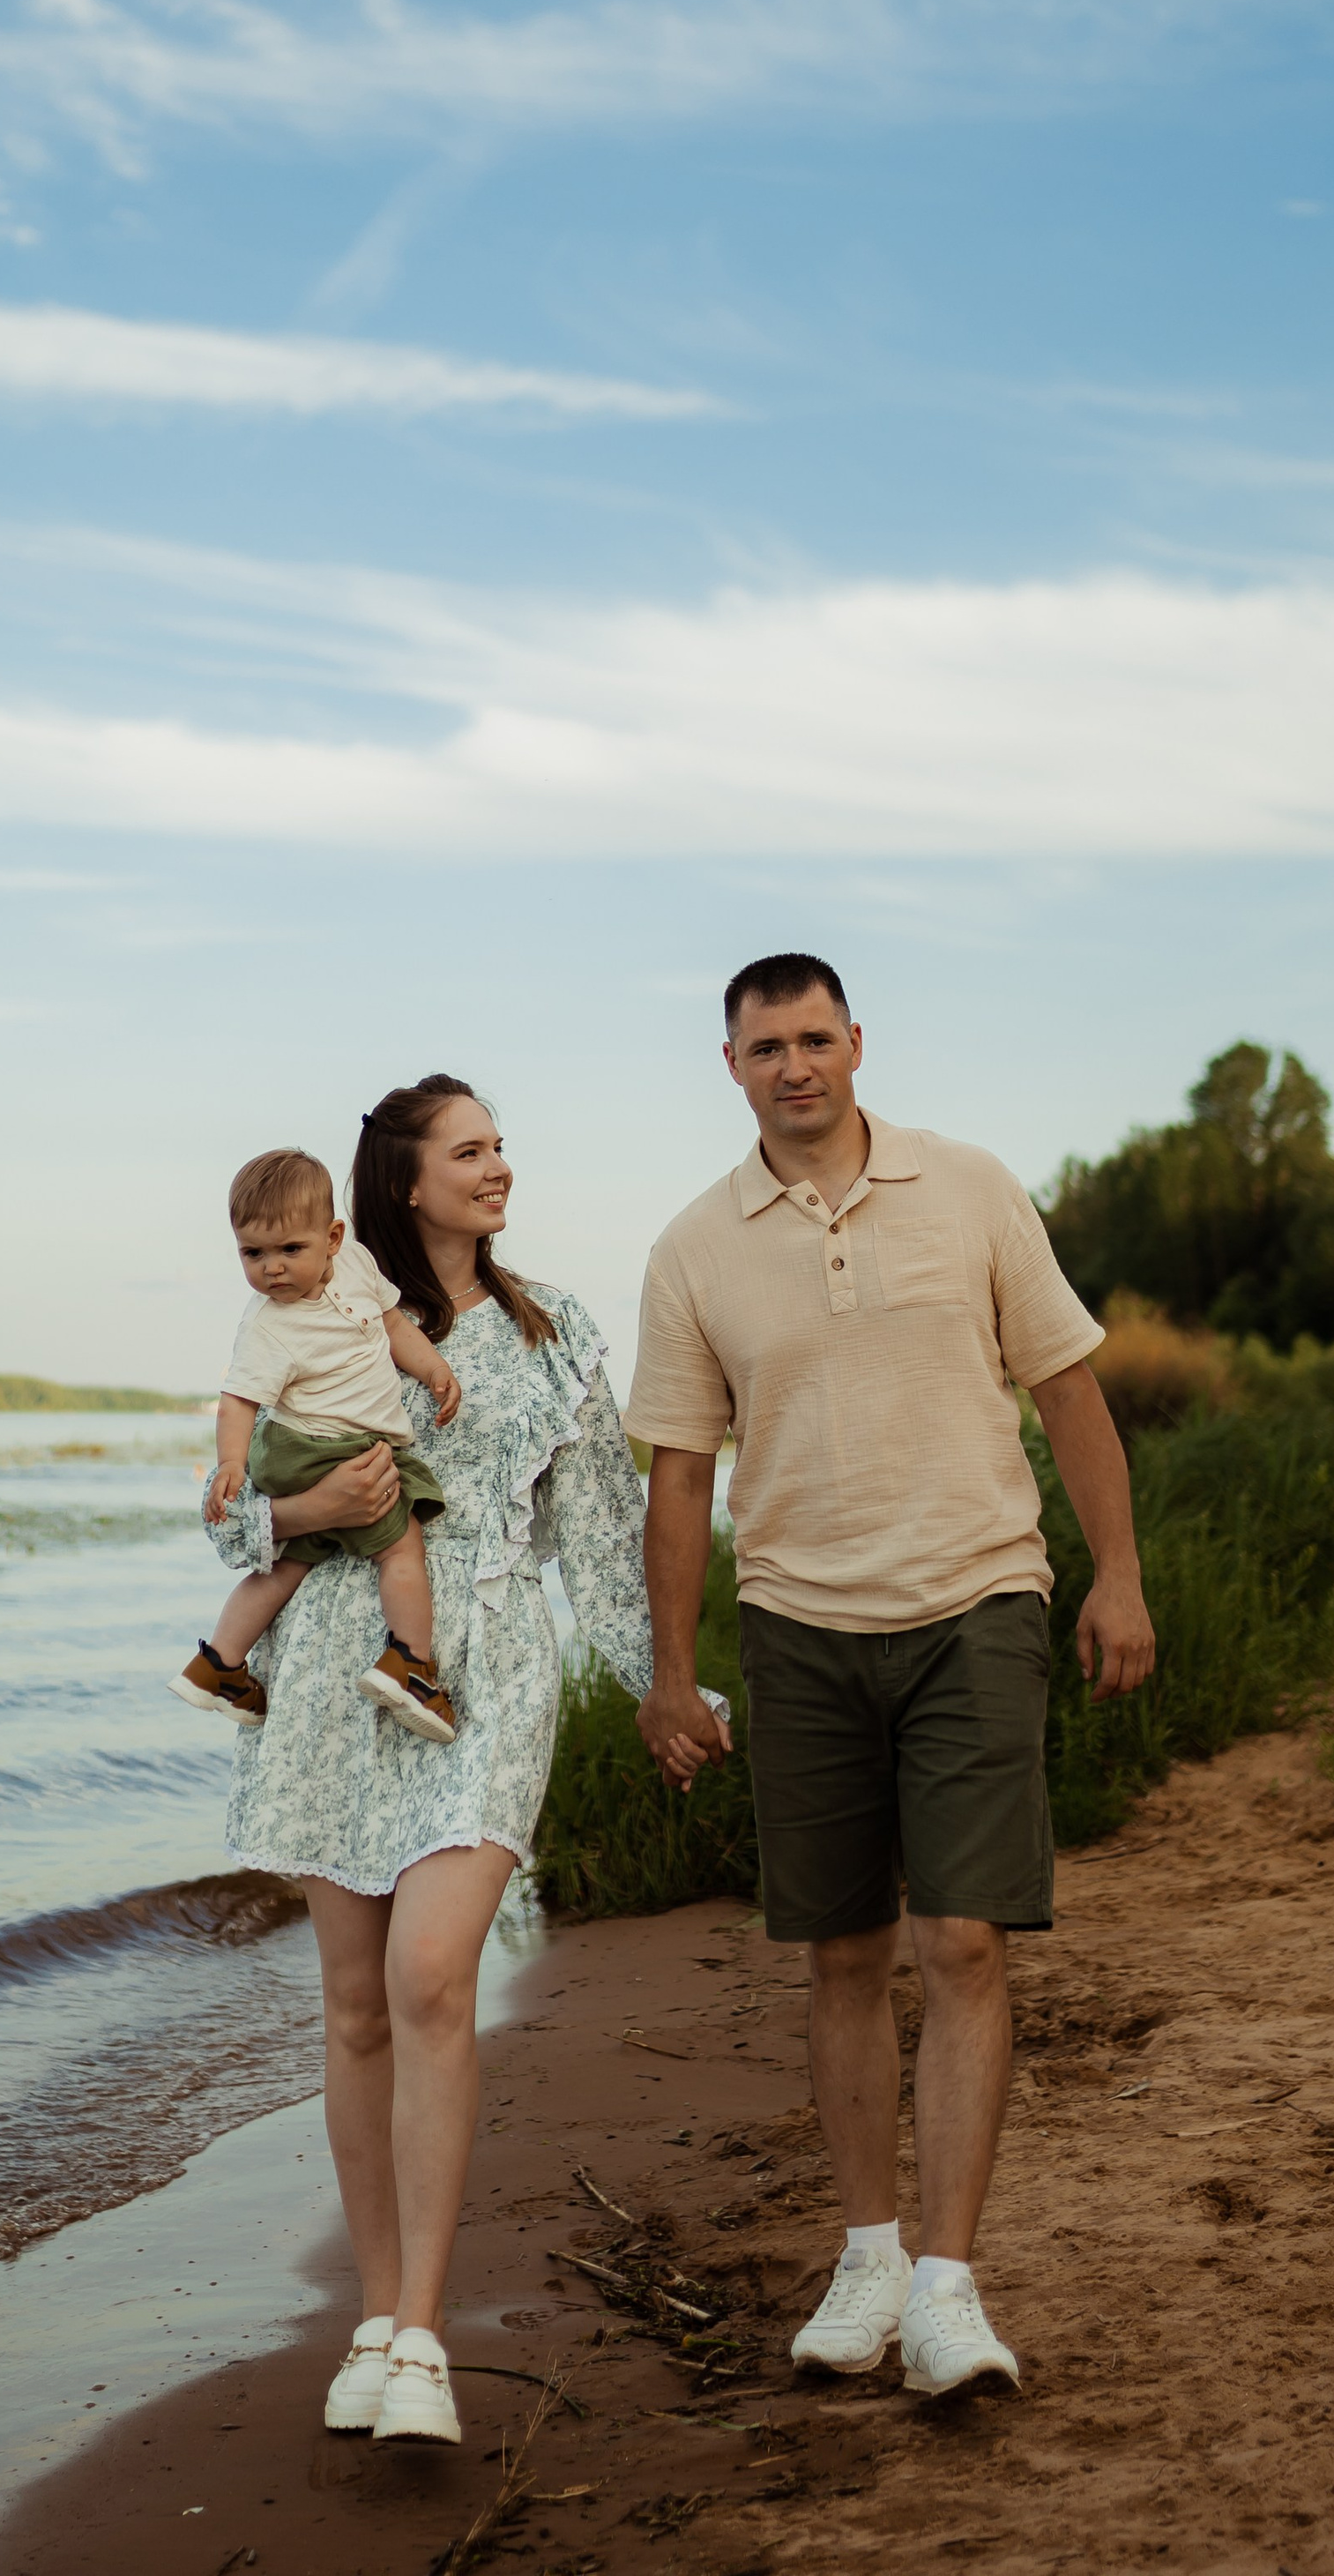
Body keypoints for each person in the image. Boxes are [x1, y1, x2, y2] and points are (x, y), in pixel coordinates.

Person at [630, 952, 1156, 2402]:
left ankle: (948, 2288)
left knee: (966, 1943)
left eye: (814, 1039)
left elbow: (1069, 1395)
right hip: (797, 1625)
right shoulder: (692, 1248)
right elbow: (681, 1480)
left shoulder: (971, 1188)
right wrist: (674, 1676)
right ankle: (868, 2254)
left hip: (976, 1600)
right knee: (844, 1951)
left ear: (857, 1043)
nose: (793, 1066)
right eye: (764, 1047)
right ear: (728, 1065)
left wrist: (1116, 1574)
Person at [205, 1074, 672, 2448]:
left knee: (427, 1974)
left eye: (502, 1147)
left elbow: (600, 1530)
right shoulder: (307, 1311)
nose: (500, 1168)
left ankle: (423, 2333)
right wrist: (307, 1501)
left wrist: (661, 1685)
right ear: (406, 1182)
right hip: (333, 1664)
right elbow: (235, 1531)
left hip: (486, 1660)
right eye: (473, 1151)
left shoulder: (552, 1330)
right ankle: (370, 2320)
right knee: (353, 2003)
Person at [172, 1146, 463, 1741]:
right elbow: (239, 1401)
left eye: (289, 1250)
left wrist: (432, 1369)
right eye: (253, 1253)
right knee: (402, 1548)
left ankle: (221, 1664)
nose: (271, 1268)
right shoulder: (268, 1326)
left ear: (333, 1238)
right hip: (320, 1449)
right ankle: (410, 1664)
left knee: (289, 1562)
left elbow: (392, 1325)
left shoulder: (356, 1265)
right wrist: (231, 1462)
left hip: (312, 1450)